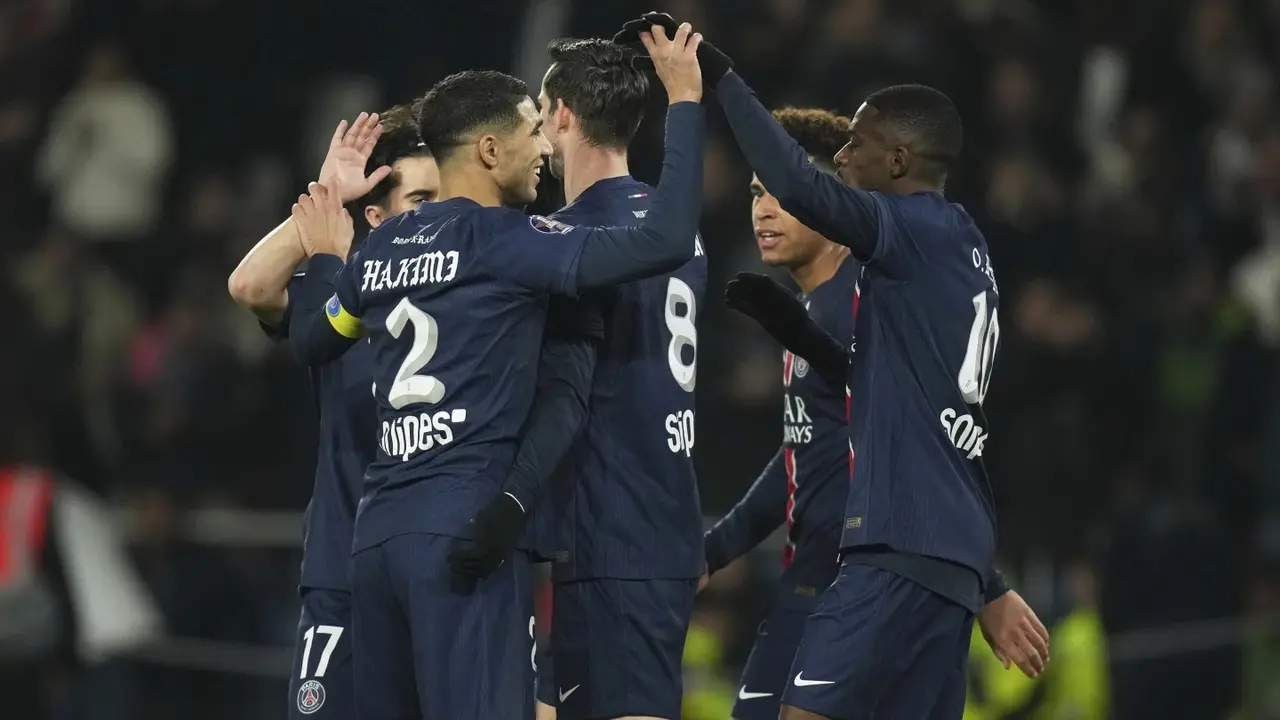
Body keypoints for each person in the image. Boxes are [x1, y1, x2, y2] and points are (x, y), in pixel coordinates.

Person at [619, 13, 1050, 720]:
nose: (846, 156)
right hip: (931, 552)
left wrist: (715, 74)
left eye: (859, 143)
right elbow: (840, 424)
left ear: (900, 162)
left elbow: (801, 181)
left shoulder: (899, 243)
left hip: (878, 556)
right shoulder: (955, 247)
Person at [284, 28, 707, 719]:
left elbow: (312, 339)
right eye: (531, 131)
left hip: (378, 536)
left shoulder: (383, 247)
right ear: (489, 150)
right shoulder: (511, 242)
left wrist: (330, 255)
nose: (544, 147)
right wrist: (685, 102)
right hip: (465, 530)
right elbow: (663, 239)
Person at [708, 106, 1051, 720]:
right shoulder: (817, 309)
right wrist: (713, 550)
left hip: (857, 578)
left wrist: (988, 585)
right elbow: (804, 456)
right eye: (755, 193)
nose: (763, 208)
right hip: (829, 574)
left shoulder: (861, 303)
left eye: (779, 193)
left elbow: (918, 435)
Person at [508, 37, 707, 720]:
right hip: (640, 522)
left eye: (538, 112)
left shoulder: (575, 237)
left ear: (563, 115)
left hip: (619, 527)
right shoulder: (673, 225)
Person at [225, 104, 437, 719]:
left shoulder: (476, 302)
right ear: (377, 215)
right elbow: (252, 288)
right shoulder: (343, 297)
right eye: (420, 199)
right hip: (342, 572)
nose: (438, 215)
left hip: (436, 577)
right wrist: (327, 198)